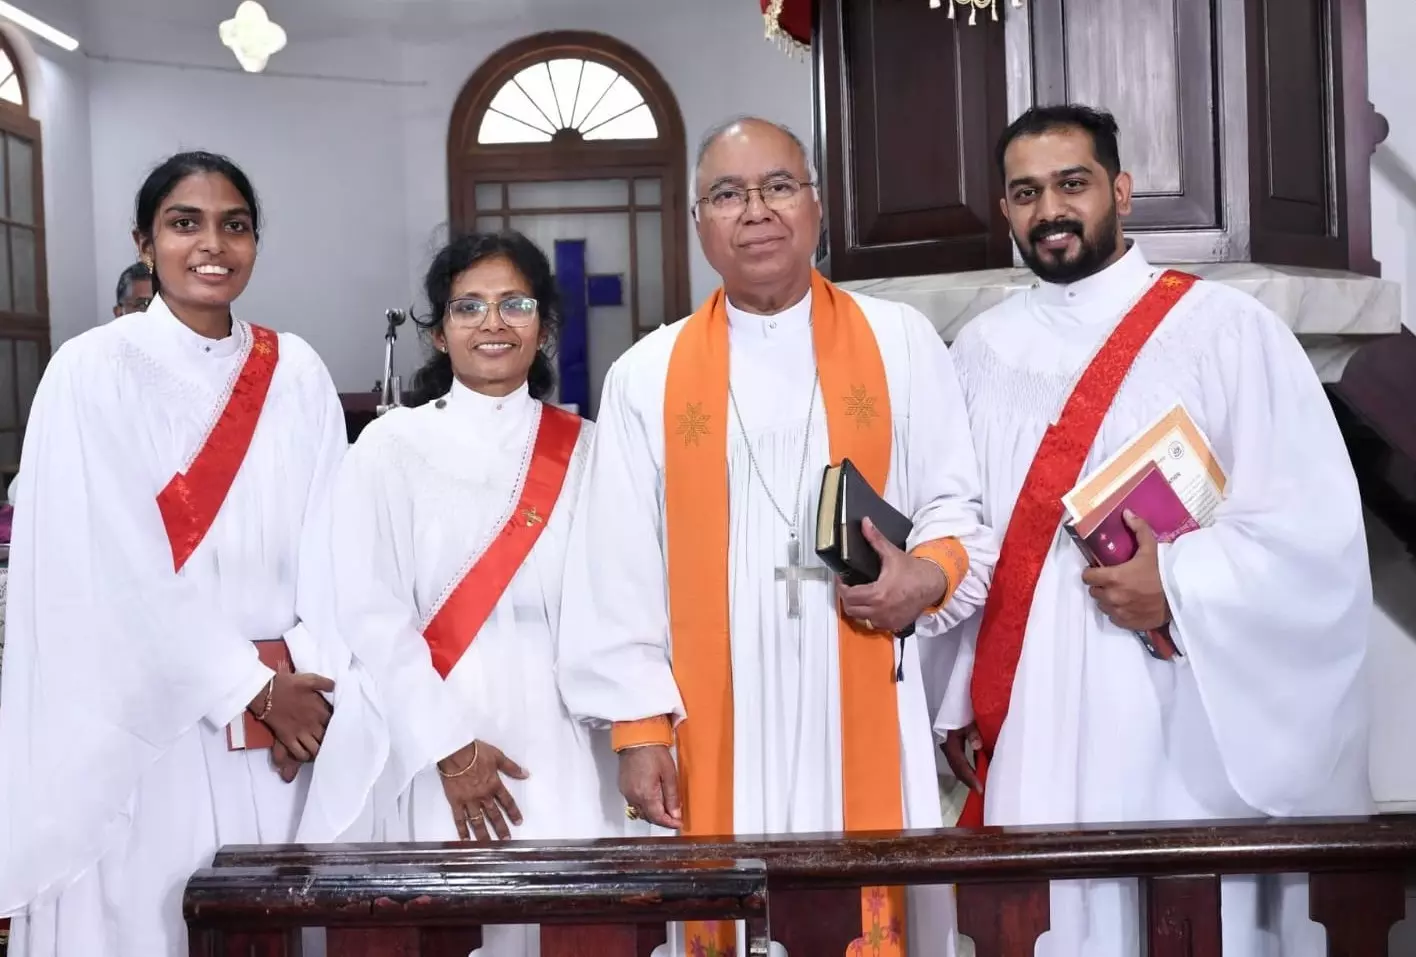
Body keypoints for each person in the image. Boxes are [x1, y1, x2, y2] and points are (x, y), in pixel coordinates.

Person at [556, 116, 997, 957]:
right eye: (727, 194)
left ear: (817, 206)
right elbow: (616, 563)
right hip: (712, 713)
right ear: (699, 224)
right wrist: (639, 729)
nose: (755, 210)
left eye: (778, 186)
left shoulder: (899, 341)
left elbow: (954, 504)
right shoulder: (648, 374)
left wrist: (927, 577)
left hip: (859, 670)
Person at [938, 104, 1371, 956]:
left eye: (1073, 184)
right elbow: (962, 529)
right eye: (1026, 193)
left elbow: (1312, 531)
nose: (1050, 210)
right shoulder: (977, 353)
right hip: (1031, 714)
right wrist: (957, 691)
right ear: (1005, 210)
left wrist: (1176, 583)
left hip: (1181, 710)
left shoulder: (1226, 332)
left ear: (1121, 191)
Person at [0, 151, 347, 956]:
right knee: (144, 921)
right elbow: (110, 568)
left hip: (283, 724)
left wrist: (313, 686)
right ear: (144, 242)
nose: (211, 244)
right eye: (184, 223)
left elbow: (340, 541)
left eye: (235, 224)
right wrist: (248, 686)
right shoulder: (90, 372)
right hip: (142, 719)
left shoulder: (296, 370)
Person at [295, 231, 620, 957]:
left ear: (544, 324)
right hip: (436, 724)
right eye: (469, 306)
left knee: (567, 922)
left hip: (562, 730)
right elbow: (370, 608)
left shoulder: (590, 448)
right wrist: (447, 746)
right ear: (440, 333)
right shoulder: (389, 446)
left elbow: (620, 596)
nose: (493, 322)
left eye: (515, 303)